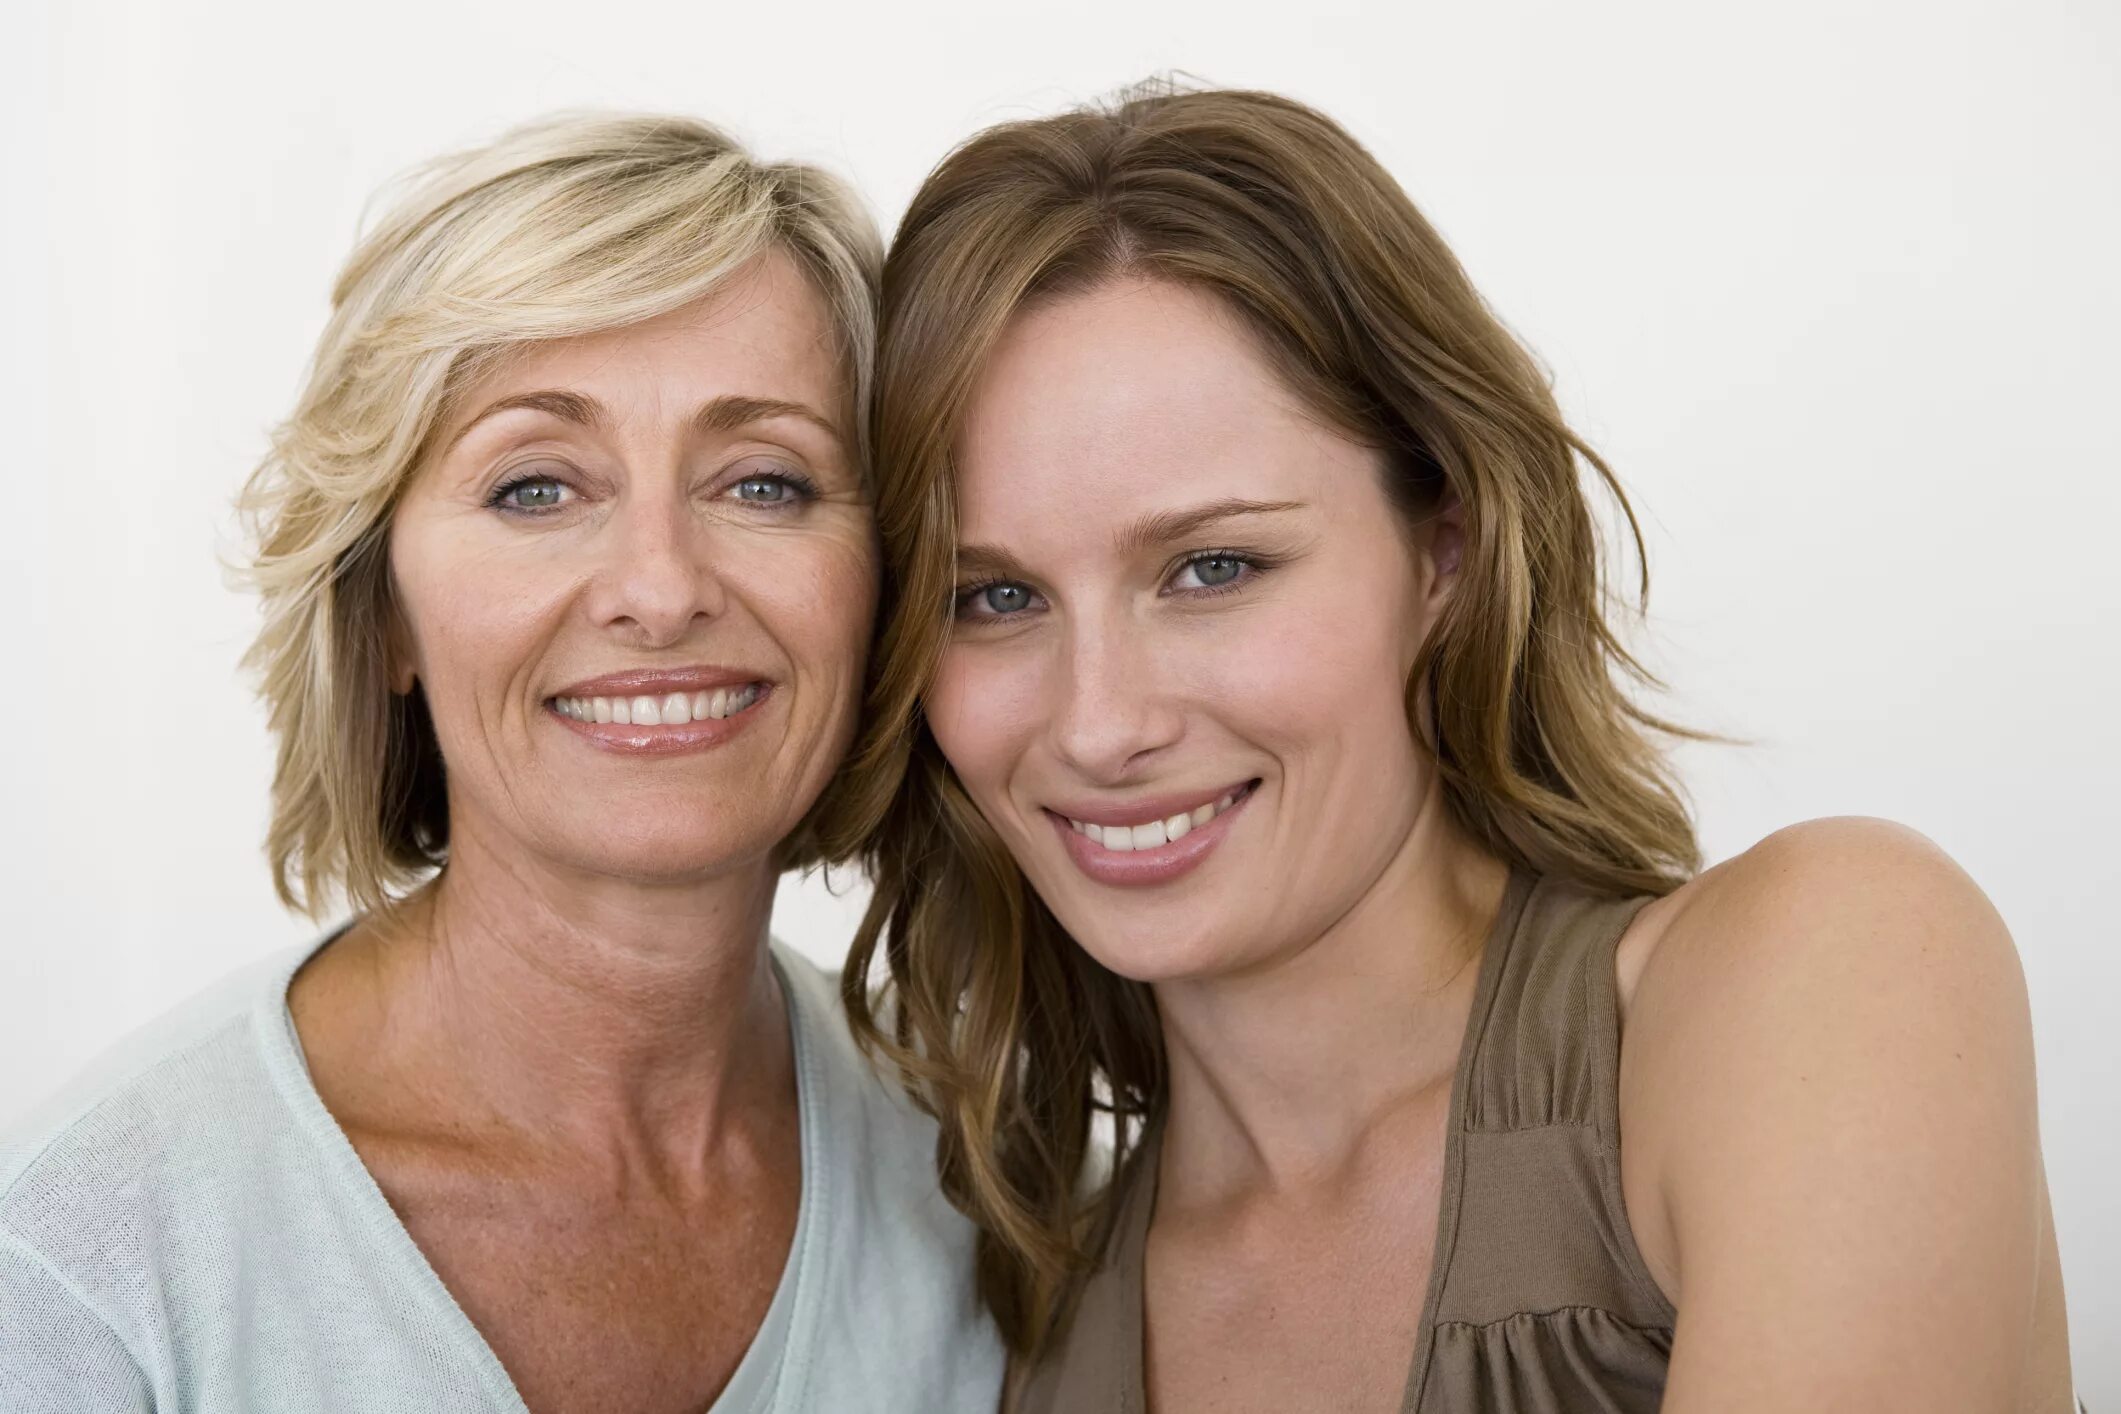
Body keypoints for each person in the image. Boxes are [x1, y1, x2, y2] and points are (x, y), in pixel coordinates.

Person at [840, 86, 2078, 1411]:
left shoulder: (1819, 973)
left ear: (1445, 551)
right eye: (995, 598)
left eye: (1211, 567)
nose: (1098, 721)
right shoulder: (1014, 1323)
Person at [0, 113, 1003, 1412]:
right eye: (536, 487)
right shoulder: (84, 1271)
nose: (658, 587)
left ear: (883, 584)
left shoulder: (983, 1188)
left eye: (763, 482)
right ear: (384, 617)